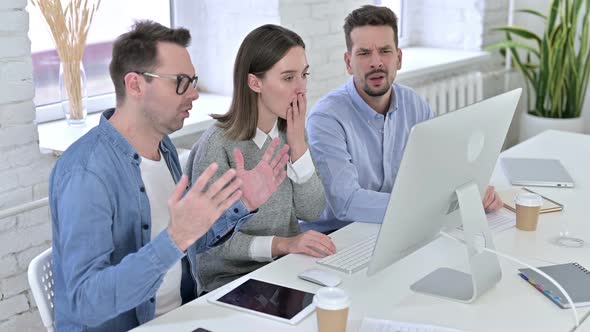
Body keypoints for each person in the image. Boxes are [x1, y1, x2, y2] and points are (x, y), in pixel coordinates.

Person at [49, 21, 290, 332]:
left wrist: (240, 204)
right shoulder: (86, 172)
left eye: (193, 81)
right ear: (135, 85)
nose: (193, 94)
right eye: (180, 82)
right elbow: (87, 303)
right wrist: (175, 239)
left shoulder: (164, 148)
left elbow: (185, 240)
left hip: (182, 318)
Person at [302, 5, 503, 234]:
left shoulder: (414, 105)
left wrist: (472, 191)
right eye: (364, 53)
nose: (376, 62)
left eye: (385, 51)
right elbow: (347, 203)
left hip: (391, 229)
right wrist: (429, 207)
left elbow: (439, 168)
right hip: (335, 237)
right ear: (348, 63)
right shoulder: (326, 118)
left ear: (398, 58)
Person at [185, 24, 335, 294]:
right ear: (255, 82)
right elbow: (211, 244)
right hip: (229, 285)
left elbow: (312, 210)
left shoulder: (290, 132)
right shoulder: (217, 146)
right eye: (288, 78)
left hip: (284, 272)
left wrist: (298, 142)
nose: (301, 89)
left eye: (304, 75)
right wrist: (282, 244)